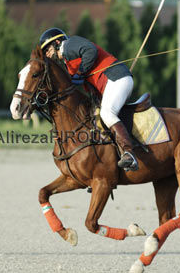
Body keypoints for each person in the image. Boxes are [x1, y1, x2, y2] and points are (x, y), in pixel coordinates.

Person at [39, 27, 139, 171]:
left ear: (57, 42)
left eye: (48, 49)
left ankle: (129, 152)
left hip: (117, 78)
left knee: (107, 113)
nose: (47, 54)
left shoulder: (69, 45)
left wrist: (80, 72)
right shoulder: (68, 63)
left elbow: (91, 50)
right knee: (93, 119)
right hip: (109, 85)